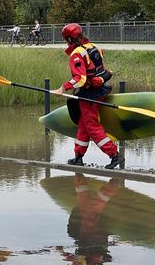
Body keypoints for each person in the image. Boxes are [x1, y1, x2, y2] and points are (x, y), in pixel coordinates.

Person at [53, 23, 123, 170]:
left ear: (70, 39)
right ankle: (78, 157)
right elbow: (101, 69)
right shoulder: (93, 47)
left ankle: (114, 154)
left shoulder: (77, 54)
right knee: (83, 124)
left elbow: (81, 79)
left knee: (91, 126)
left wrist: (62, 88)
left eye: (66, 40)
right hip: (100, 90)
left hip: (89, 94)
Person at [58, 174, 117, 265]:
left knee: (84, 205)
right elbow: (102, 258)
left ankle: (80, 178)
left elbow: (75, 259)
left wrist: (62, 253)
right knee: (91, 210)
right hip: (94, 237)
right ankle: (113, 184)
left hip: (85, 237)